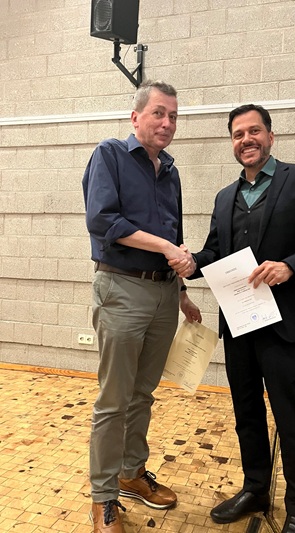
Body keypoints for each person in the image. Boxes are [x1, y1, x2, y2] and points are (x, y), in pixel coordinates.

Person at [169, 104, 295, 533]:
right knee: (245, 410)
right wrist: (192, 262)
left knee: (288, 414)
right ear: (232, 143)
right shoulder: (224, 197)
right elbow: (216, 251)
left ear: (270, 136)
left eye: (254, 131)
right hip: (239, 321)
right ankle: (255, 489)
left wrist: (290, 266)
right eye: (238, 134)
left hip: (286, 323)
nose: (246, 139)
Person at [82, 80, 201, 533]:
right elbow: (103, 221)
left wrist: (182, 292)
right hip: (121, 288)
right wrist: (167, 247)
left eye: (173, 116)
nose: (167, 123)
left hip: (164, 293)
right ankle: (103, 497)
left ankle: (131, 473)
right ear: (136, 117)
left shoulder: (170, 170)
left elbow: (174, 232)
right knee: (114, 399)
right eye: (158, 113)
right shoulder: (109, 154)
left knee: (143, 394)